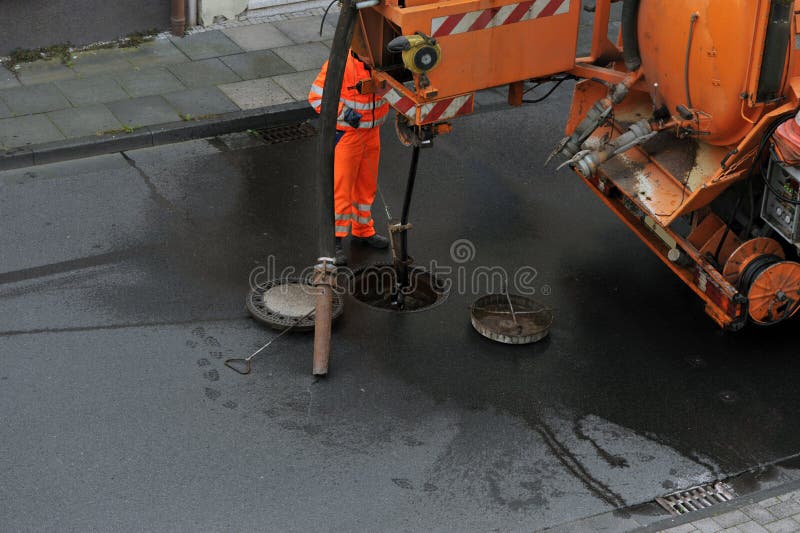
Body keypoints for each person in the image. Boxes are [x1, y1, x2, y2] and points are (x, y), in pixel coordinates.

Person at [308, 50, 390, 266]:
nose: (371, 57)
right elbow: (317, 97)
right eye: (368, 53)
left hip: (372, 132)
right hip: (347, 135)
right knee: (341, 191)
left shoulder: (381, 62)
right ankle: (333, 242)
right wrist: (344, 113)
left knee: (366, 186)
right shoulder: (340, 65)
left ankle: (363, 230)